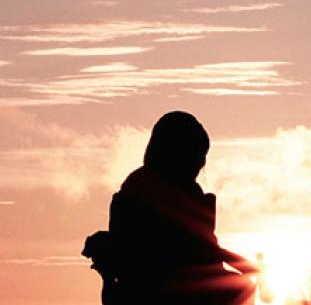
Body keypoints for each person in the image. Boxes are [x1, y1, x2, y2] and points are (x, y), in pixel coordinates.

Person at [86, 111, 257, 305]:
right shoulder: (152, 190)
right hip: (165, 287)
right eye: (196, 155)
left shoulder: (144, 185)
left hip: (161, 284)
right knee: (239, 287)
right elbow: (196, 249)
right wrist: (247, 266)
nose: (201, 164)